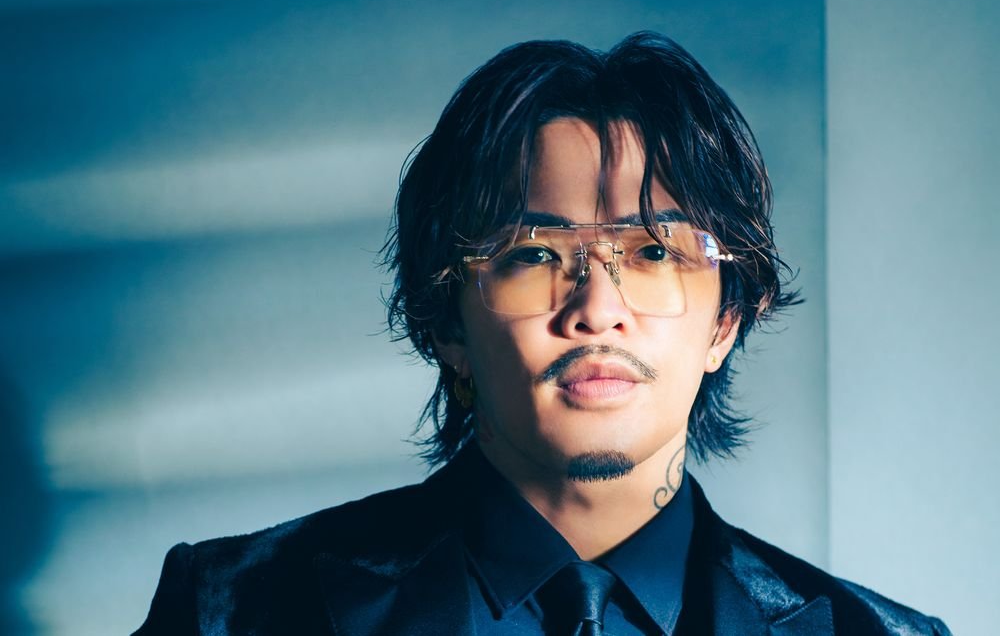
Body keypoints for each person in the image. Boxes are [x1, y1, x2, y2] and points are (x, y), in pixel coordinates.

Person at [133, 31, 950, 635]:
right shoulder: (231, 609)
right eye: (533, 254)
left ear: (726, 319)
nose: (597, 308)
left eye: (654, 251)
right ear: (446, 323)